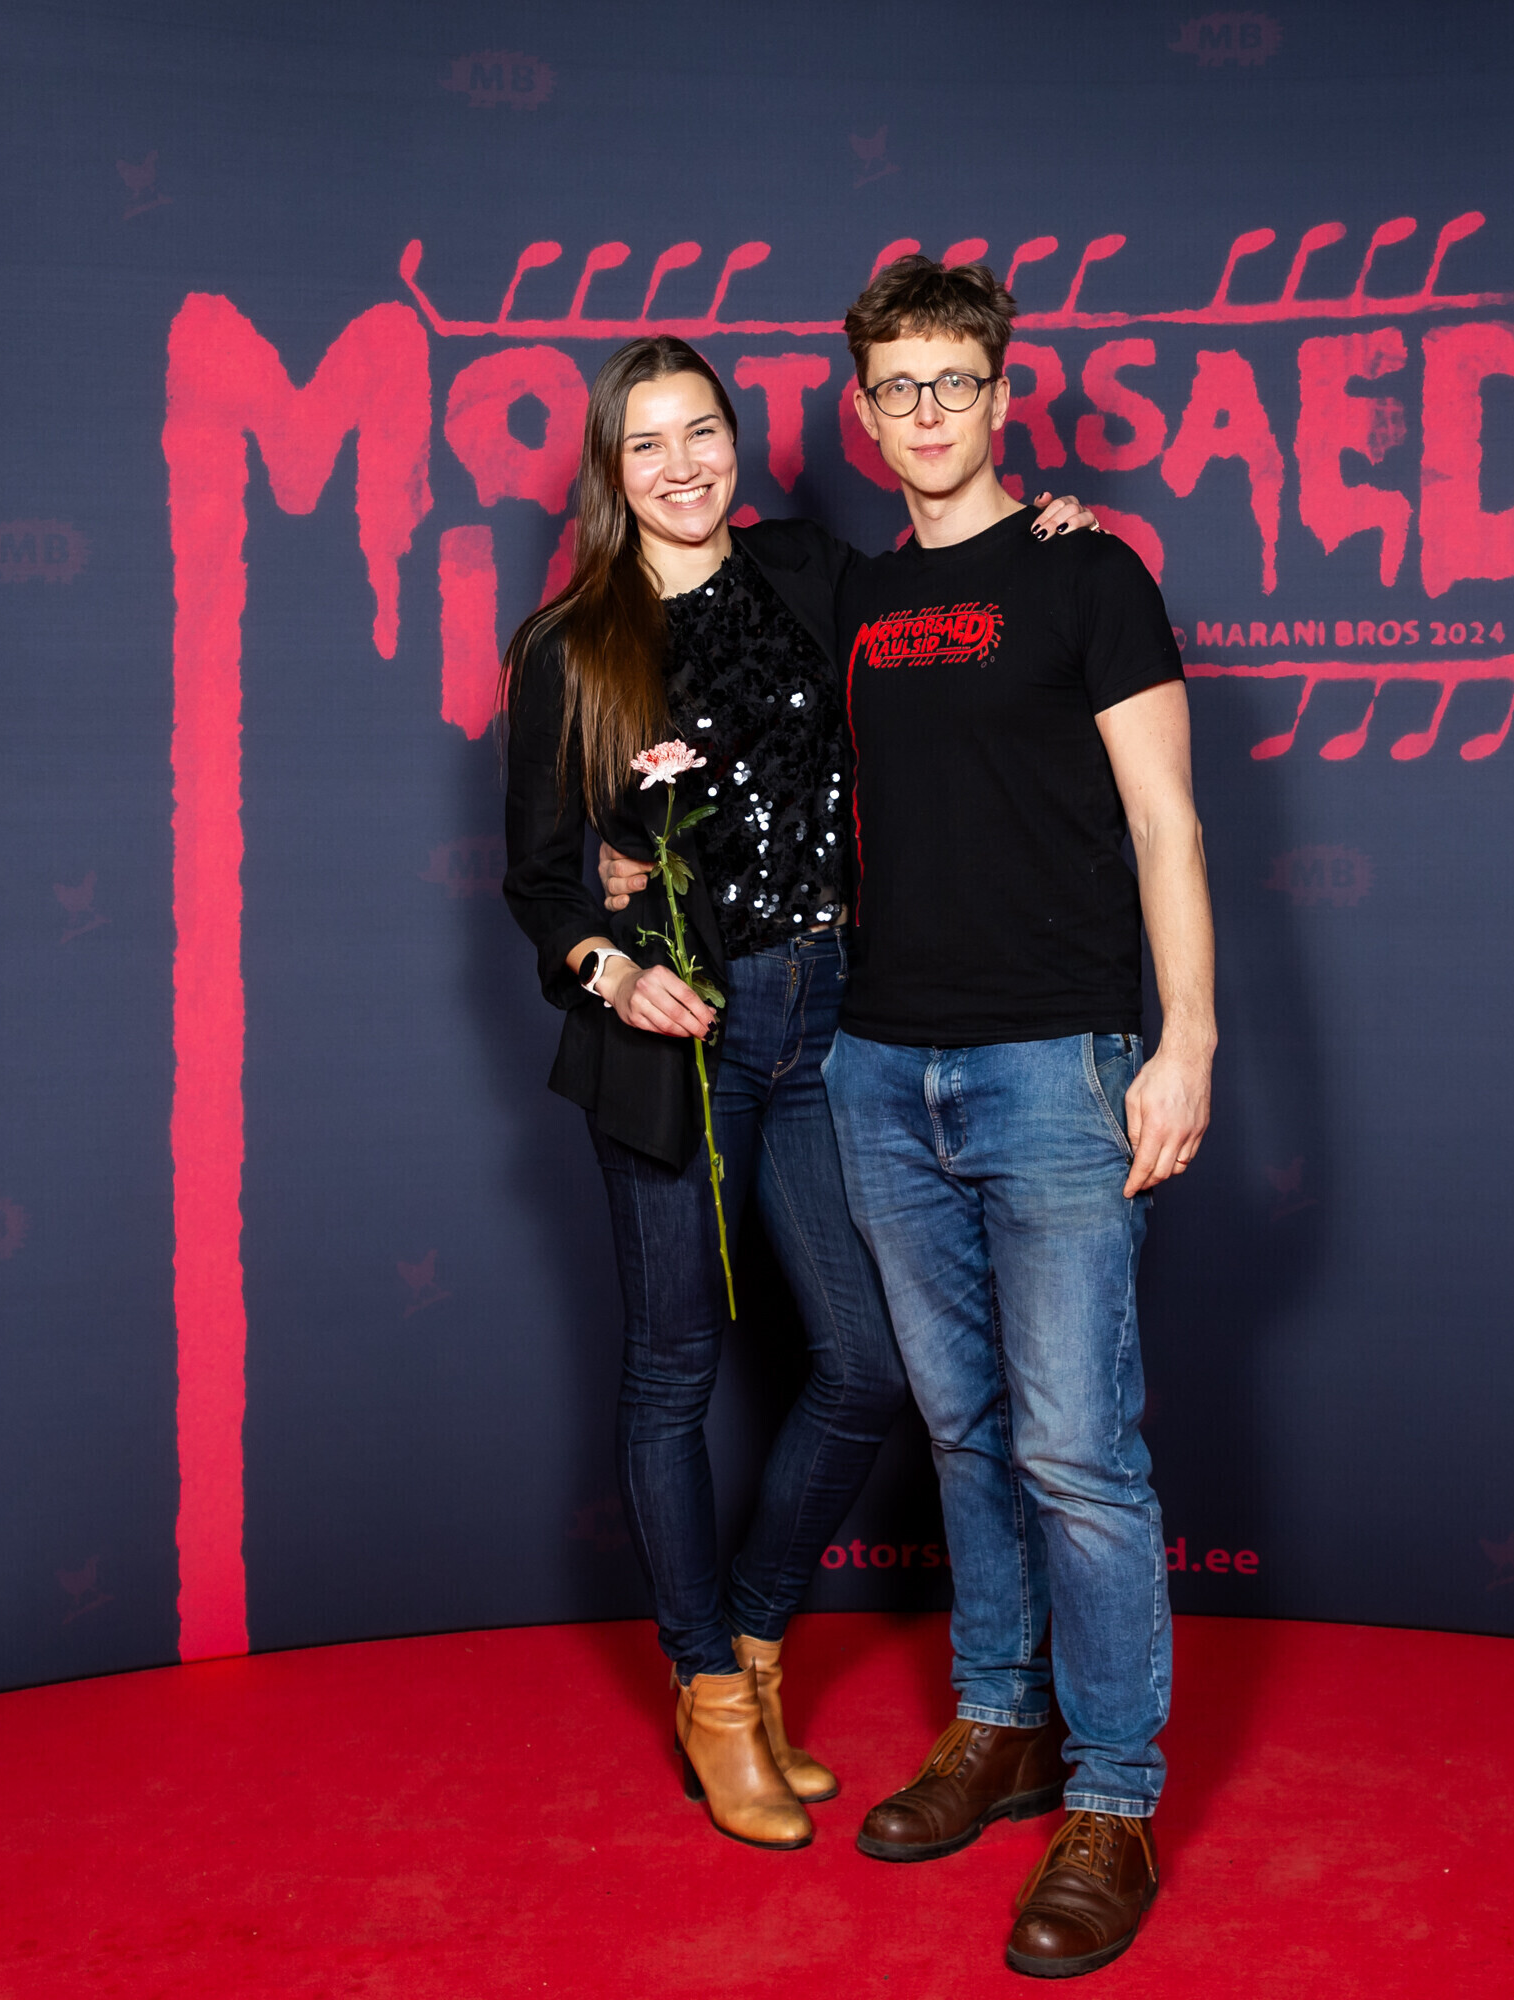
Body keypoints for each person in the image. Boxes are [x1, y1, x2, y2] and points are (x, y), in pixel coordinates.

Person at [614, 258, 1214, 1975]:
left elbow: (1166, 823)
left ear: (1003, 397)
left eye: (958, 382)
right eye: (900, 389)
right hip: (876, 1071)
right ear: (863, 414)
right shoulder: (848, 590)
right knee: (960, 1429)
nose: (929, 412)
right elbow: (685, 628)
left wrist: (1186, 1041)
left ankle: (1113, 1794)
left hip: (1057, 1064)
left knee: (1077, 1451)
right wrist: (609, 879)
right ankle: (1000, 1722)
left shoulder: (1090, 571)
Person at [499, 334, 1094, 1850]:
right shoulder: (572, 644)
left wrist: (1043, 537)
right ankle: (708, 1694)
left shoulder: (814, 576)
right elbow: (540, 879)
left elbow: (950, 606)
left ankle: (755, 1641)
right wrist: (612, 968)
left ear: (737, 442)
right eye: (647, 443)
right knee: (672, 1374)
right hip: (677, 1038)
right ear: (611, 469)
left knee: (866, 1366)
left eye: (702, 432)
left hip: (834, 1024)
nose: (682, 465)